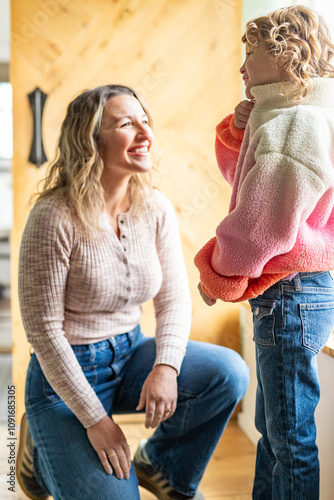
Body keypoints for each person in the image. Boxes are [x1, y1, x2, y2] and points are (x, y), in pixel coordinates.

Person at [17, 84, 249, 500]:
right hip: (64, 375)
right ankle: (41, 452)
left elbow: (173, 299)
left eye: (146, 121)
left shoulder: (154, 207)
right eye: (127, 124)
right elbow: (44, 331)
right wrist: (95, 420)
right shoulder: (53, 216)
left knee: (227, 372)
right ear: (90, 140)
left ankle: (160, 466)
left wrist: (166, 367)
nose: (145, 133)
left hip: (129, 353)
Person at [194, 5, 334, 500]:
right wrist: (240, 134)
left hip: (288, 294)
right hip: (295, 292)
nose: (242, 66)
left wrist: (217, 275)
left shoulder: (295, 124)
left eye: (250, 53)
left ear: (286, 56)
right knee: (273, 432)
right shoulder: (286, 116)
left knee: (289, 440)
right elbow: (246, 184)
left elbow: (260, 225)